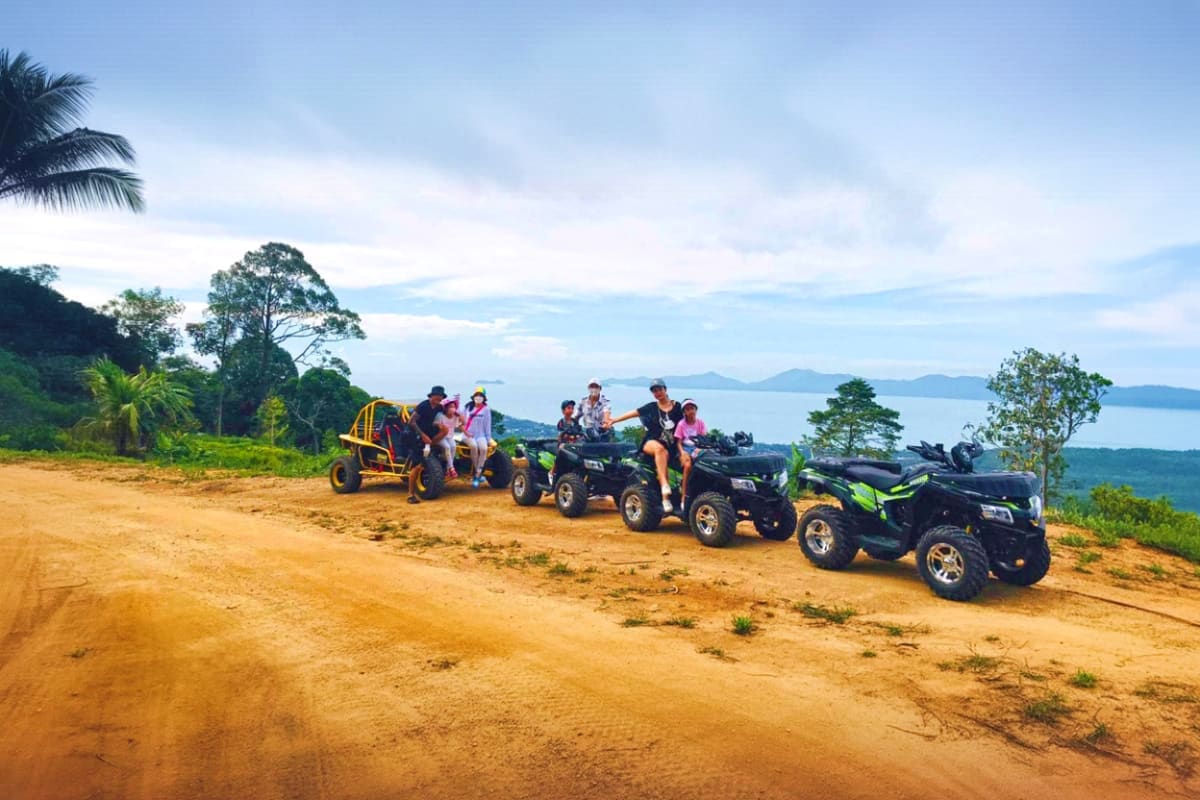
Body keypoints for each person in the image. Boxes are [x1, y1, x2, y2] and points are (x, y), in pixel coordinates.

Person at [607, 378, 684, 513]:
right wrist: (614, 420)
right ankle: (665, 489)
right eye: (654, 391)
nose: (657, 393)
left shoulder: (677, 407)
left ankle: (671, 498)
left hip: (671, 445)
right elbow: (634, 413)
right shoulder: (652, 407)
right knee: (660, 450)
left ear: (665, 390)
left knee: (666, 454)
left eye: (659, 389)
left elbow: (686, 422)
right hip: (651, 442)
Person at [407, 385, 446, 504]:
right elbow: (411, 422)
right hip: (415, 435)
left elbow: (448, 415)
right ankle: (410, 495)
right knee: (417, 466)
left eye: (440, 396)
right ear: (431, 396)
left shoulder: (439, 408)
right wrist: (422, 435)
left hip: (429, 435)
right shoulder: (423, 406)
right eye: (436, 395)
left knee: (445, 430)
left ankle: (430, 448)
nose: (438, 398)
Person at [674, 398, 707, 511]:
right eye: (687, 409)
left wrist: (698, 449)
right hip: (685, 448)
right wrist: (682, 452)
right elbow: (678, 442)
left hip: (699, 448)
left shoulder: (700, 423)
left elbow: (704, 439)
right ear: (684, 412)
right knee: (688, 466)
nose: (690, 411)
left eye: (692, 408)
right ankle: (683, 496)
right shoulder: (681, 424)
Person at [462, 386, 493, 488]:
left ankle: (477, 474)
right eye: (477, 395)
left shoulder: (486, 409)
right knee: (474, 447)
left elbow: (487, 425)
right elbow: (461, 421)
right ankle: (477, 473)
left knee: (483, 449)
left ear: (484, 398)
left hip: (480, 435)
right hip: (467, 435)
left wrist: (488, 439)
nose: (478, 397)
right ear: (473, 397)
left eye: (480, 395)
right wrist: (466, 432)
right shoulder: (467, 408)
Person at [435, 396, 461, 479]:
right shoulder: (440, 416)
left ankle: (448, 469)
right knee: (447, 447)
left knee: (453, 446)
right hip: (440, 437)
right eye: (450, 407)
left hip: (449, 437)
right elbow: (435, 424)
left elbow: (458, 425)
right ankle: (451, 468)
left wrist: (458, 416)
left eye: (454, 407)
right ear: (445, 408)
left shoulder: (455, 417)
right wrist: (440, 426)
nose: (452, 409)